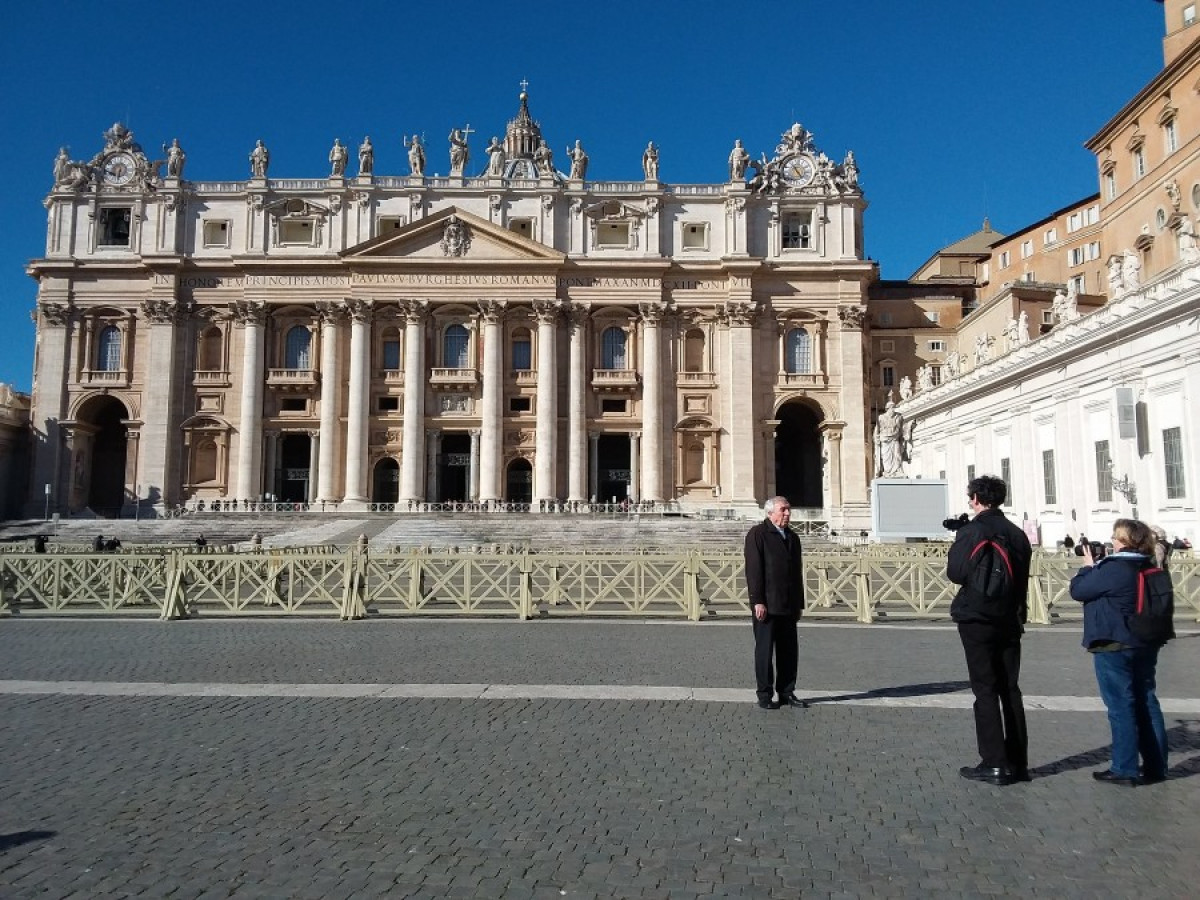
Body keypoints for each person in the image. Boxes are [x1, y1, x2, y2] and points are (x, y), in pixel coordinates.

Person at [1069, 518, 1169, 786]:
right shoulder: (1149, 564)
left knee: (1121, 705)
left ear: (1122, 540)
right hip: (1146, 641)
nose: (1111, 541)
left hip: (1114, 642)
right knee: (1147, 700)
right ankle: (1157, 766)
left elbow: (1078, 591)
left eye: (1115, 537)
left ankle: (1125, 768)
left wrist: (1087, 568)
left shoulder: (1115, 568)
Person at [947, 475, 1033, 785]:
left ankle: (994, 763)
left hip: (978, 618)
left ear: (975, 499)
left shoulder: (973, 531)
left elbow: (955, 573)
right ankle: (1019, 763)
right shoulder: (1017, 534)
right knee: (1010, 689)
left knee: (985, 689)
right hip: (1010, 618)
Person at [744, 496, 807, 710]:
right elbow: (754, 571)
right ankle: (764, 694)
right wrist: (757, 601)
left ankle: (787, 692)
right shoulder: (757, 534)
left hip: (788, 604)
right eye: (784, 510)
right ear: (770, 513)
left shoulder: (793, 537)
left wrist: (799, 603)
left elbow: (797, 573)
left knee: (789, 651)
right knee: (764, 651)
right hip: (767, 605)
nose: (788, 514)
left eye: (789, 510)